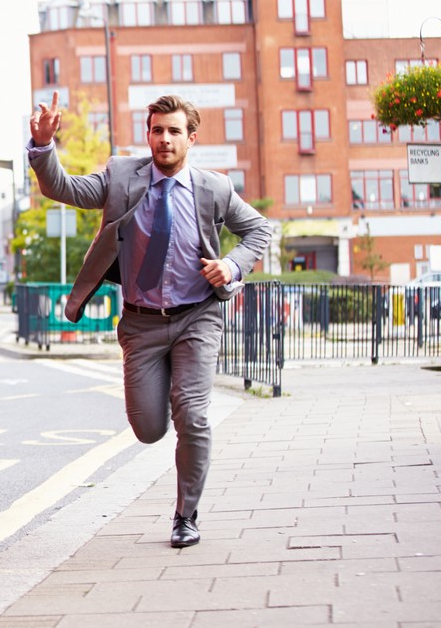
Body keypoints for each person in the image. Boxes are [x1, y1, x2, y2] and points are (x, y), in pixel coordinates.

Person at [27, 93, 271, 548]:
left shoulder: (213, 189)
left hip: (198, 316)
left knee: (193, 416)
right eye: (157, 130)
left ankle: (186, 515)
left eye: (174, 131)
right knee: (149, 428)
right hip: (141, 324)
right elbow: (66, 189)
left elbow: (258, 229)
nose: (165, 139)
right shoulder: (122, 176)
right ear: (148, 134)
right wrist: (43, 148)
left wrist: (233, 265)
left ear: (191, 138)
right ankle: (172, 471)